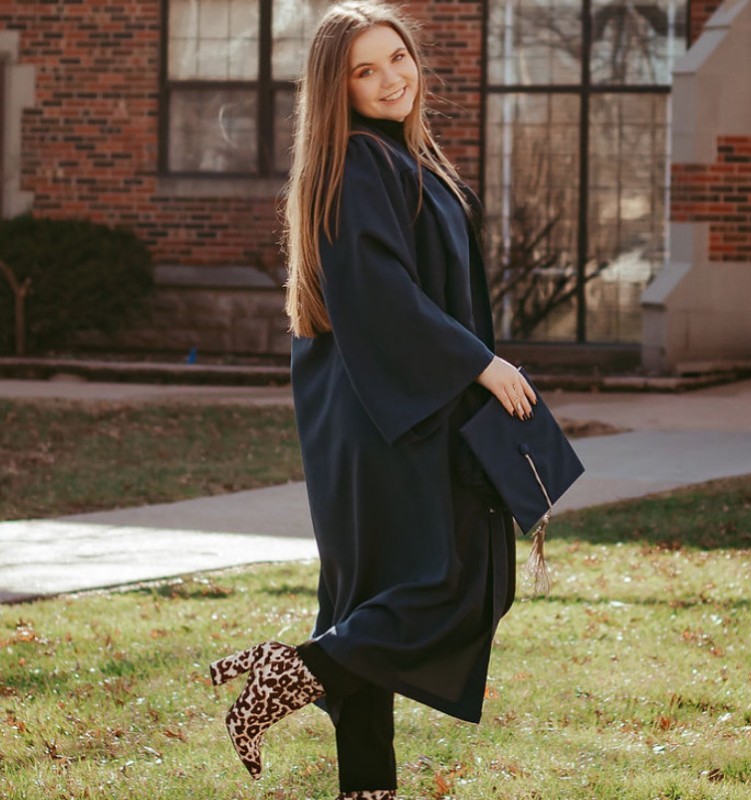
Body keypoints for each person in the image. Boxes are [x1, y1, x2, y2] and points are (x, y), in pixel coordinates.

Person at [209, 2, 537, 798]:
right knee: (450, 581)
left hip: (393, 411)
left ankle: (362, 781)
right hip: (388, 420)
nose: (392, 77)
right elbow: (380, 293)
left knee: (373, 606)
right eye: (366, 69)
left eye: (399, 57)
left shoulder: (399, 157)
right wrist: (478, 363)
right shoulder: (360, 161)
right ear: (337, 87)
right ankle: (296, 672)